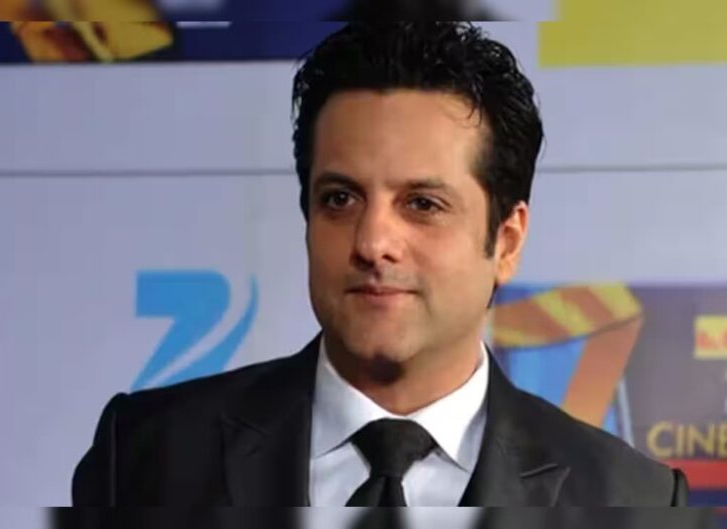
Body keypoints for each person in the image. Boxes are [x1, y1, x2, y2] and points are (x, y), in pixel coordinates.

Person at [72, 22, 689, 506]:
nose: (372, 242)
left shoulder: (634, 503)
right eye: (340, 199)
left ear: (505, 241)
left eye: (422, 204)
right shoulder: (145, 457)